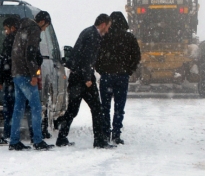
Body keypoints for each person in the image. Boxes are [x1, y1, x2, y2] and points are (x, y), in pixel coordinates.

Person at [55, 14, 115, 149]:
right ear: (103, 24)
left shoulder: (87, 32)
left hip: (76, 77)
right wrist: (88, 78)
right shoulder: (94, 36)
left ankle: (61, 137)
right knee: (97, 109)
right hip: (84, 79)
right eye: (108, 27)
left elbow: (78, 55)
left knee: (72, 110)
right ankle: (99, 140)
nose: (108, 30)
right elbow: (87, 58)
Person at [9, 11, 54, 151]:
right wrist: (34, 74)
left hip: (16, 72)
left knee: (18, 108)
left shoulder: (22, 27)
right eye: (46, 26)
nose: (44, 29)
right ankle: (38, 140)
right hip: (26, 74)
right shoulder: (34, 29)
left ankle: (14, 140)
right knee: (36, 107)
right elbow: (30, 53)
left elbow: (19, 51)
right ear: (42, 22)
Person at [95, 11, 141, 145]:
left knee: (105, 107)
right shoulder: (129, 37)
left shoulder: (104, 37)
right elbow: (136, 56)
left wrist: (101, 70)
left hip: (106, 77)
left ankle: (105, 134)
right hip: (122, 77)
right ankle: (116, 134)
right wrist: (129, 70)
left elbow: (96, 55)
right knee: (119, 107)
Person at [0, 16, 32, 146]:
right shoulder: (24, 38)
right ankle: (33, 134)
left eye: (6, 29)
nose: (6, 32)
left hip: (11, 79)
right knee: (26, 107)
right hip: (23, 77)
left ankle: (8, 134)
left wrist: (0, 79)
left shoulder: (10, 40)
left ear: (12, 27)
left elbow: (4, 61)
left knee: (10, 109)